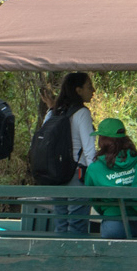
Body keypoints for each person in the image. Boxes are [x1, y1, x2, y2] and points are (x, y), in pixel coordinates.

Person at [42, 73, 96, 235]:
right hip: (76, 175)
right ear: (78, 90)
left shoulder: (53, 112)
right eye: (89, 86)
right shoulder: (82, 113)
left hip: (56, 174)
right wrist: (95, 179)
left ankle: (61, 250)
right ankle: (77, 251)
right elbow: (89, 150)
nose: (93, 90)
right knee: (77, 223)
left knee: (61, 223)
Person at [83, 119, 137, 239]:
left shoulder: (95, 168)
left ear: (102, 140)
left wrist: (107, 211)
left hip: (113, 225)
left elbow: (94, 199)